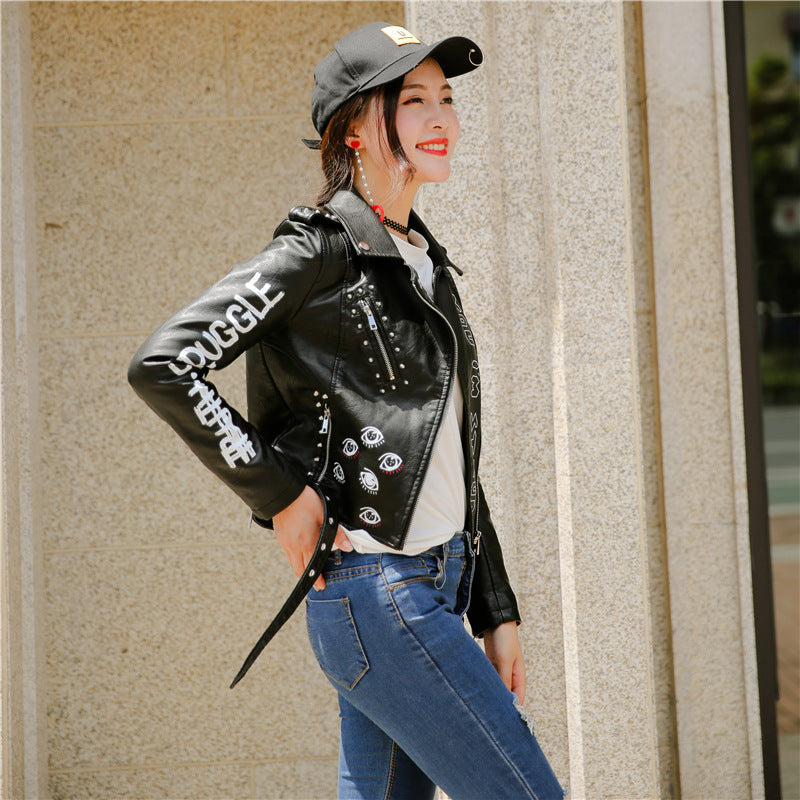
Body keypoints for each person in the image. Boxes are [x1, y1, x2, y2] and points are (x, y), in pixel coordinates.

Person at [128, 20, 563, 800]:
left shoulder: (421, 262)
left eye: (447, 99)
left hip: (429, 588)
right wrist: (282, 496)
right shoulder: (315, 252)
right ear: (356, 128)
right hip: (379, 591)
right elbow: (165, 364)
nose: (442, 120)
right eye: (415, 100)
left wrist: (496, 605)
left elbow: (449, 453)